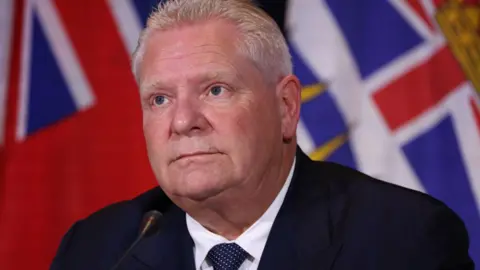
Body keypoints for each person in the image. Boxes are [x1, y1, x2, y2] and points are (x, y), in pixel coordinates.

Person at [50, 0, 474, 269]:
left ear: (286, 106)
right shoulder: (99, 250)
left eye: (215, 90)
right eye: (159, 99)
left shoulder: (401, 241)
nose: (182, 122)